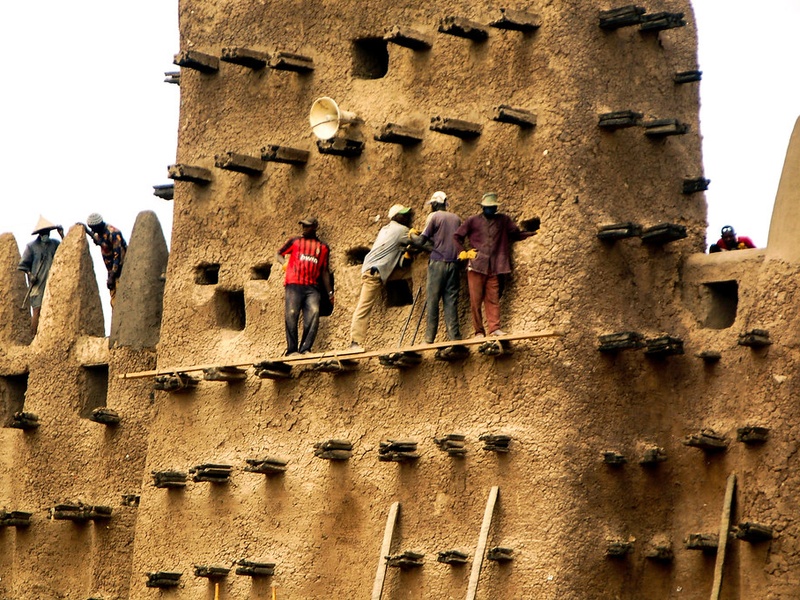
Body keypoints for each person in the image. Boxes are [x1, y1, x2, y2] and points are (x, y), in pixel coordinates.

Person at [454, 192, 535, 337]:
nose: (490, 210)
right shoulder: (473, 221)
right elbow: (457, 236)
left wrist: (531, 234)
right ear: (483, 207)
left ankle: (494, 329)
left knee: (493, 299)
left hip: (494, 267)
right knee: (475, 301)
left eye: (492, 207)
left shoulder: (503, 220)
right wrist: (464, 252)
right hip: (476, 265)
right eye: (487, 207)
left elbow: (515, 233)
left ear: (496, 208)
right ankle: (479, 331)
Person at [349, 204, 413, 350]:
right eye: (402, 214)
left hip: (377, 269)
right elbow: (417, 240)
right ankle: (355, 343)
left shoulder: (385, 229)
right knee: (364, 307)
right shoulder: (401, 230)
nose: (406, 217)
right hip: (375, 273)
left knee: (413, 271)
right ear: (395, 217)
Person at [409, 191, 463, 344]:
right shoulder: (456, 218)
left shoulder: (434, 217)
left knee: (432, 300)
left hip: (438, 262)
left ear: (433, 204)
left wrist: (411, 236)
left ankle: (429, 339)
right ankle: (454, 337)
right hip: (454, 264)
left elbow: (421, 241)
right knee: (451, 302)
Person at [275, 217, 333, 356]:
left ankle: (305, 349)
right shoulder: (295, 241)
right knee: (292, 314)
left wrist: (330, 292)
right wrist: (284, 264)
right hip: (294, 284)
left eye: (307, 226)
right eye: (303, 226)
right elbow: (279, 253)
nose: (304, 229)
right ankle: (292, 350)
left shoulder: (323, 248)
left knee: (313, 315)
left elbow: (324, 271)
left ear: (315, 228)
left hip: (312, 287)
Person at [18, 216, 64, 335]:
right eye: (44, 233)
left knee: (52, 310)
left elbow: (66, 251)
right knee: (37, 310)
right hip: (37, 285)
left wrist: (62, 234)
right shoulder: (31, 247)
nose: (46, 235)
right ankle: (34, 338)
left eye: (48, 232)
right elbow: (23, 265)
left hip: (51, 284)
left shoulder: (54, 244)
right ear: (39, 234)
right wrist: (30, 274)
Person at [81, 213, 127, 306]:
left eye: (92, 228)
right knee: (114, 302)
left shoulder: (113, 233)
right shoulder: (100, 233)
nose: (92, 230)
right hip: (112, 272)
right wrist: (86, 230)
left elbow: (117, 256)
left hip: (122, 270)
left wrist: (112, 276)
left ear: (98, 225)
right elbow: (98, 241)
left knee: (121, 300)